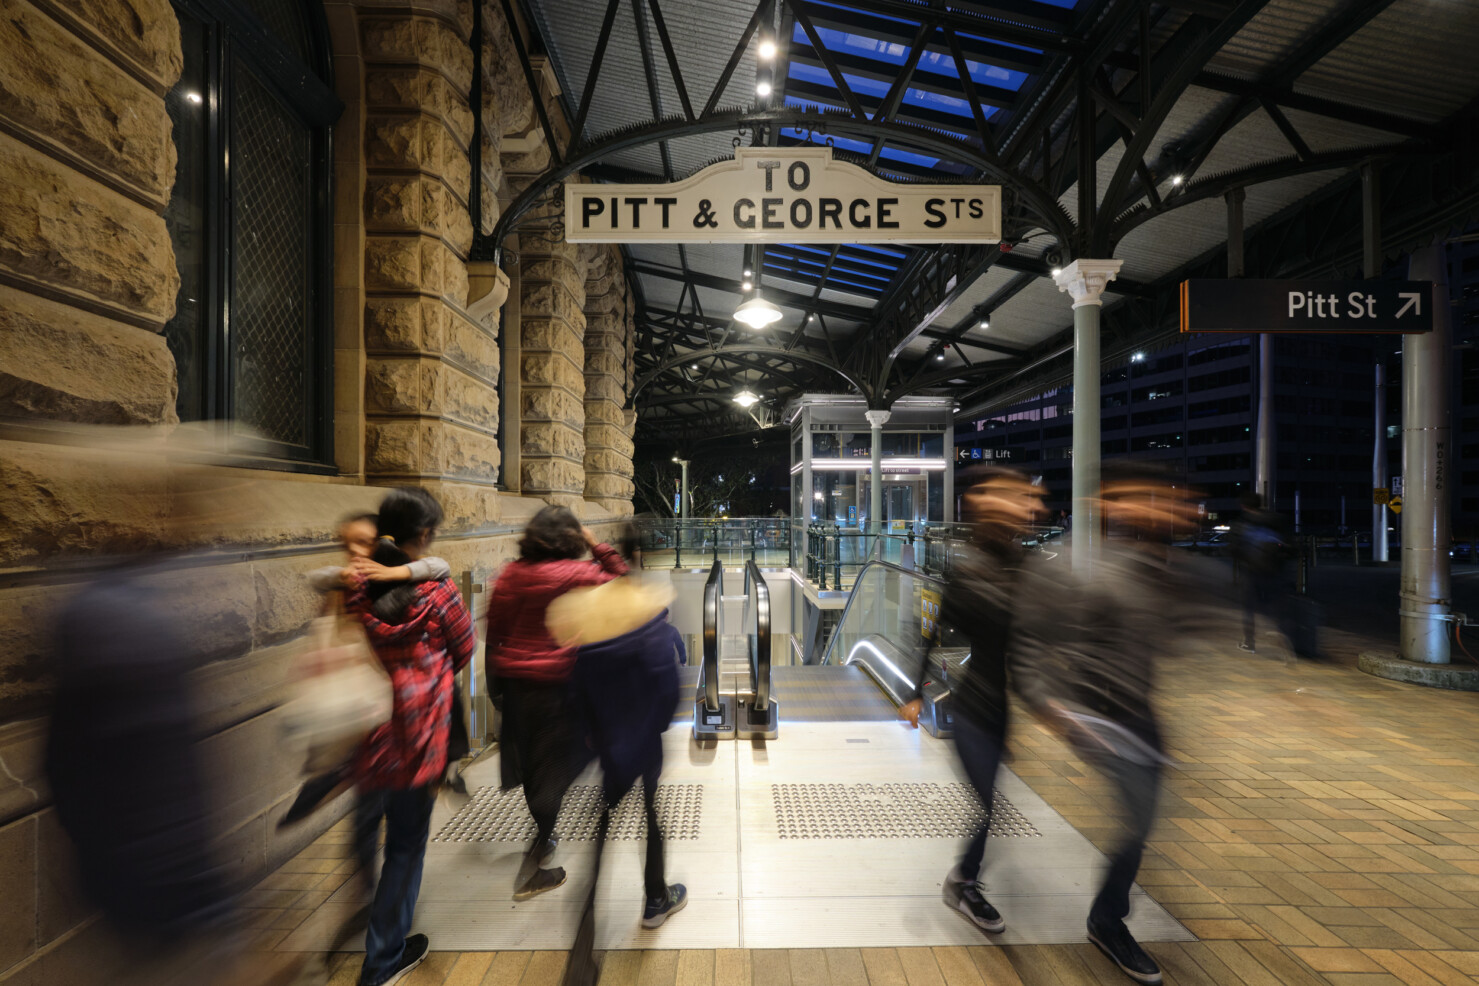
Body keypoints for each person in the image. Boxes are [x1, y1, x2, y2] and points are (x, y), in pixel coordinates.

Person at [1016, 460, 1190, 985]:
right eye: (1135, 497)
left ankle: (1108, 912)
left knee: (1143, 823)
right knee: (1138, 818)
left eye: (1156, 497)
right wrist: (1049, 706)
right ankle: (1107, 919)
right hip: (1095, 714)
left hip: (1141, 712)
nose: (1151, 507)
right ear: (1104, 504)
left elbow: (1186, 628)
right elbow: (1030, 645)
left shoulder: (1153, 565)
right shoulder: (1069, 567)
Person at [900, 465, 1046, 937]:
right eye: (1020, 497)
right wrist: (913, 695)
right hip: (971, 711)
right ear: (988, 503)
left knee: (990, 803)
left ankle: (965, 878)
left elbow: (1027, 646)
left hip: (999, 708)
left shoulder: (1021, 566)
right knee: (987, 804)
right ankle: (963, 882)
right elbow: (932, 633)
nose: (1033, 506)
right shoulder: (970, 572)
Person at [344, 487, 476, 986]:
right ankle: (382, 959)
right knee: (404, 844)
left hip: (376, 730)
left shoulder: (363, 591)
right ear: (424, 535)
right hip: (420, 736)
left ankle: (379, 938)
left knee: (375, 832)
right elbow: (465, 647)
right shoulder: (439, 593)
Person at [549, 526, 687, 986]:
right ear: (645, 554)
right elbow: (668, 687)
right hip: (643, 740)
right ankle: (655, 901)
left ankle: (583, 944)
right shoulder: (648, 611)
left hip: (607, 743)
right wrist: (658, 725)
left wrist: (590, 733)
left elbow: (577, 684)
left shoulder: (595, 612)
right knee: (650, 816)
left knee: (601, 833)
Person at [485, 506, 628, 899]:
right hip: (555, 687)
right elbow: (621, 576)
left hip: (515, 687)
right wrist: (594, 542)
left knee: (535, 765)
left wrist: (496, 688)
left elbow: (495, 631)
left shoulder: (510, 575)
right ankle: (531, 871)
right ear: (570, 538)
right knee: (561, 767)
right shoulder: (570, 573)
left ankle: (543, 838)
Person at [1228, 492, 1289, 654]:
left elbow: (1233, 549)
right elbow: (1289, 545)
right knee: (1273, 601)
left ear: (1243, 506)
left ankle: (1249, 642)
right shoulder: (1276, 521)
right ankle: (1279, 632)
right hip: (1274, 569)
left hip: (1250, 569)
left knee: (1249, 607)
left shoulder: (1241, 523)